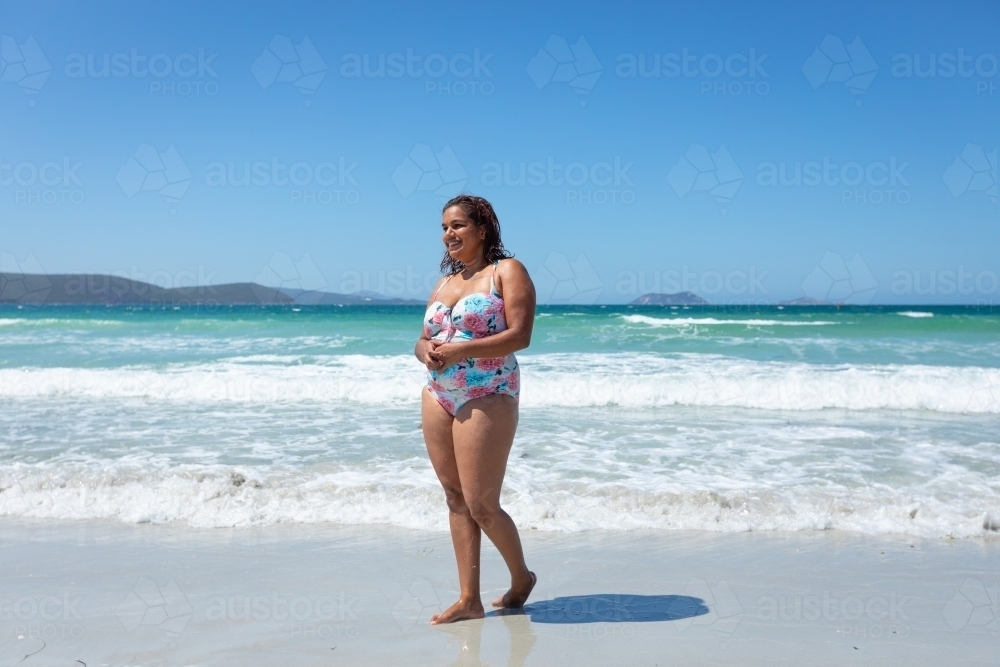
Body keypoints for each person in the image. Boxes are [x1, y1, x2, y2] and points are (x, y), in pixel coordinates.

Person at [415, 194, 537, 624]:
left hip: (488, 391)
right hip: (439, 394)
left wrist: (463, 349)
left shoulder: (506, 272)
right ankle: (470, 599)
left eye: (458, 225)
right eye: (445, 227)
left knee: (482, 501)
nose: (449, 234)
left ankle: (521, 577)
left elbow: (520, 336)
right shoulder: (444, 284)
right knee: (455, 498)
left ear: (482, 229)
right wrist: (425, 351)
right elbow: (420, 340)